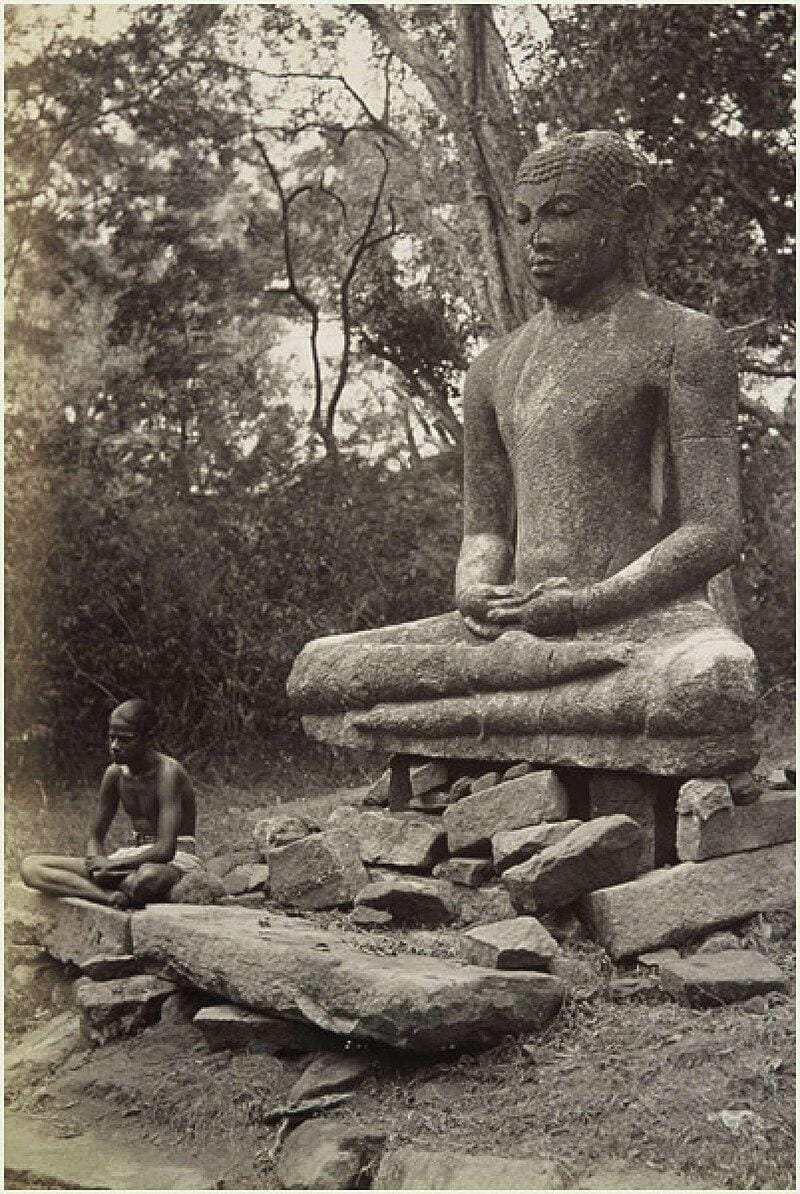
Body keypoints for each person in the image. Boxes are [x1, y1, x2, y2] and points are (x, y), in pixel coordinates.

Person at [288, 131, 758, 774]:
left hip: (642, 623)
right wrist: (474, 589)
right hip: (511, 630)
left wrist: (588, 606)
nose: (536, 236)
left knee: (710, 680)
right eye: (524, 217)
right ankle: (544, 699)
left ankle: (492, 710)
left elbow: (714, 530)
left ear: (629, 214)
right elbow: (485, 528)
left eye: (562, 213)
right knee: (317, 671)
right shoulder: (494, 368)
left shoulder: (682, 341)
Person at [21, 698, 198, 909]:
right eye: (111, 738)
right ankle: (109, 897)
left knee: (146, 879)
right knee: (31, 867)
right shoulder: (114, 774)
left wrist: (113, 865)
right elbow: (95, 836)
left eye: (125, 739)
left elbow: (165, 849)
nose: (115, 746)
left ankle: (102, 888)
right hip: (131, 859)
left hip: (174, 859)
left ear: (148, 739)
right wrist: (97, 863)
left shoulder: (169, 773)